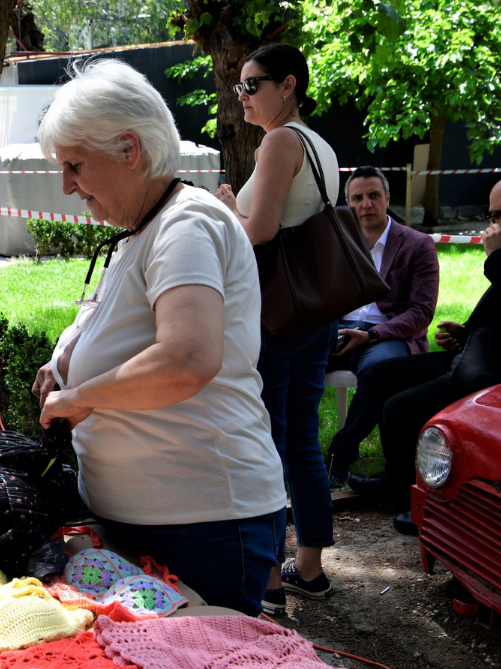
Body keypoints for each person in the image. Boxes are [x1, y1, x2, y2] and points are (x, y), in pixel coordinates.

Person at [33, 59, 287, 617]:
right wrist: (65, 362)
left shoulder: (186, 224)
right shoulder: (145, 228)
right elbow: (125, 332)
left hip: (202, 525)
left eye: (75, 165)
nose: (67, 185)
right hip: (160, 521)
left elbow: (186, 357)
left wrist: (80, 397)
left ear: (129, 149)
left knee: (208, 668)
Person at [350, 170, 501, 533]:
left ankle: (426, 502)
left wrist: (500, 256)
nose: (492, 225)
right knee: (385, 375)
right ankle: (398, 478)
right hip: (486, 355)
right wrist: (468, 332)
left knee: (399, 410)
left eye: (496, 215)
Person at [213, 42, 339, 614]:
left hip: (277, 314)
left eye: (252, 85)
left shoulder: (280, 141)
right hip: (317, 310)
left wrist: (224, 206)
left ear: (288, 85)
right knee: (302, 439)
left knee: (262, 441)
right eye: (238, 85)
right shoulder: (319, 144)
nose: (241, 96)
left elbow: (257, 231)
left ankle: (267, 581)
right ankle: (309, 568)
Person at [325, 167, 440, 485]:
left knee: (380, 371)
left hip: (388, 334)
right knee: (293, 359)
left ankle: (340, 453)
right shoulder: (338, 242)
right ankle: (290, 450)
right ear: (348, 204)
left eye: (374, 195)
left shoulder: (417, 244)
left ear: (387, 198)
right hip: (340, 328)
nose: (366, 204)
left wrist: (372, 334)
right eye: (357, 198)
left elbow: (421, 311)